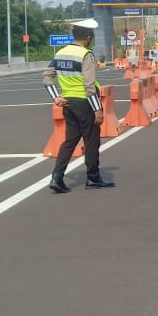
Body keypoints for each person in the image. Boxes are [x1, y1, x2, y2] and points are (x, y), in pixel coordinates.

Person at [42, 18, 116, 193]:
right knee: (91, 140)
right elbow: (89, 86)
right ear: (88, 37)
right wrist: (98, 109)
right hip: (85, 103)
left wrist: (56, 98)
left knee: (70, 140)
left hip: (68, 103)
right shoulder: (85, 55)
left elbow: (47, 77)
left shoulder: (60, 53)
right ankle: (93, 177)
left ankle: (57, 177)